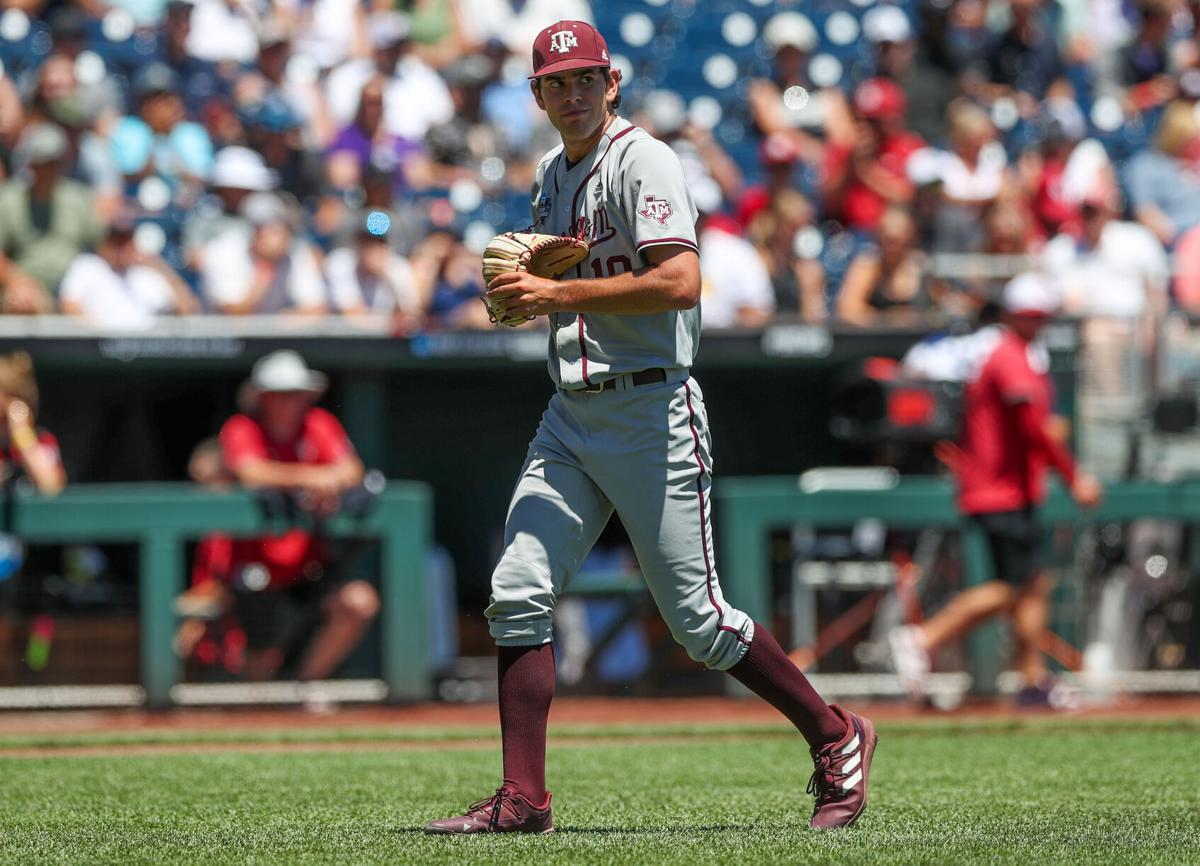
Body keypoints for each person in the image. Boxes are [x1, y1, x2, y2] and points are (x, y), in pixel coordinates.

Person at [425, 20, 877, 836]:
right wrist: (521, 294)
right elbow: (566, 283)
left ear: (613, 83)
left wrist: (555, 296)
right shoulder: (549, 175)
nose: (572, 94)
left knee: (700, 624)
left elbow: (679, 279)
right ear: (536, 94)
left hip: (652, 410)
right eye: (555, 82)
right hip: (571, 410)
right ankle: (524, 800)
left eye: (584, 79)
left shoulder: (646, 159)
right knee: (517, 592)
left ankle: (837, 736)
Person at [889, 274, 1103, 706]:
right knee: (1017, 585)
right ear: (1010, 315)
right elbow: (1032, 428)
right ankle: (923, 637)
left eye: (1040, 317)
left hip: (1011, 489)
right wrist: (1072, 474)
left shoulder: (1016, 353)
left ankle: (1032, 681)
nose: (1035, 324)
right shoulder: (1008, 355)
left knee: (1032, 582)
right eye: (1028, 316)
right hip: (997, 489)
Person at [177, 351, 379, 683]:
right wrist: (312, 478)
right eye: (281, 394)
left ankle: (304, 688)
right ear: (262, 397)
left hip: (306, 571)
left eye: (296, 393)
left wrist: (326, 482)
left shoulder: (319, 424)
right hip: (249, 576)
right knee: (255, 672)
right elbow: (251, 472)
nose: (290, 402)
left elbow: (351, 470)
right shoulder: (242, 427)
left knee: (359, 602)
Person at [59, 216, 200, 329]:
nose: (121, 248)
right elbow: (69, 307)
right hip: (96, 349)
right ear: (104, 243)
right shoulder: (88, 266)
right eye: (116, 242)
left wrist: (156, 264)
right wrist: (102, 333)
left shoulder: (145, 274)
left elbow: (187, 309)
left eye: (126, 242)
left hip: (145, 352)